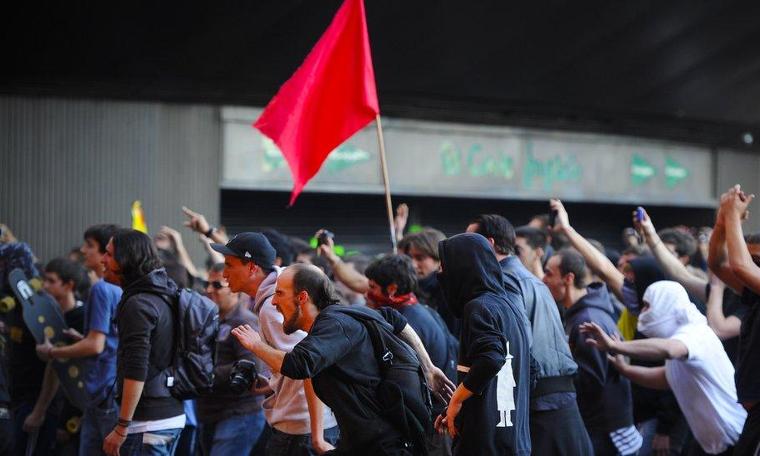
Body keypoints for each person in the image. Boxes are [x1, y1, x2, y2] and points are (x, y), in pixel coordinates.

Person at [232, 263, 454, 455]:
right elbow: (393, 318)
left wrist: (255, 345)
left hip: (383, 446)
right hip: (360, 444)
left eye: (279, 294)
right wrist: (429, 367)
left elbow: (299, 364)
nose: (273, 303)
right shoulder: (340, 319)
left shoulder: (335, 325)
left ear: (302, 297)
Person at [466, 214, 591, 455]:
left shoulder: (506, 279)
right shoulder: (527, 278)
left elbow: (518, 342)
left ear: (489, 244)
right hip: (556, 401)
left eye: (469, 241)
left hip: (543, 405)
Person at [582, 281, 747, 455]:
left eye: (647, 306)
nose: (642, 313)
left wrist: (615, 347)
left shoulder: (695, 333)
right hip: (714, 444)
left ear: (666, 305)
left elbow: (670, 349)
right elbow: (667, 378)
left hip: (736, 439)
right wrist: (625, 370)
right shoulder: (682, 337)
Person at [210, 233, 338, 455]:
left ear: (252, 268)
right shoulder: (278, 291)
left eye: (229, 265)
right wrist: (273, 383)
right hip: (305, 423)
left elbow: (306, 365)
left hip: (301, 426)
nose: (224, 274)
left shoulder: (272, 305)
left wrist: (257, 346)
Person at [434, 233, 532, 455]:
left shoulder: (478, 307)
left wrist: (457, 400)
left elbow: (491, 358)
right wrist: (457, 409)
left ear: (462, 269)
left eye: (444, 267)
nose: (440, 274)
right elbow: (530, 368)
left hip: (484, 444)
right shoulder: (509, 307)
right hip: (513, 441)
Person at [35, 224, 122, 456]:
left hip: (104, 392)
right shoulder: (117, 288)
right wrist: (82, 339)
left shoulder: (102, 289)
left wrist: (53, 352)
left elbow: (96, 345)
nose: (83, 250)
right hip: (108, 393)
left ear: (107, 252)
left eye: (90, 245)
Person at [543, 248, 641, 455]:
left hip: (606, 435)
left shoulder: (587, 320)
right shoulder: (579, 314)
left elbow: (591, 381)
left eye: (549, 273)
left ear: (568, 278)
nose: (543, 279)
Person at [101, 229, 185, 456]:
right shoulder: (162, 293)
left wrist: (122, 426)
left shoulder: (138, 304)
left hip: (148, 425)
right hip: (168, 417)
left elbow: (137, 367)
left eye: (109, 254)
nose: (102, 259)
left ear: (126, 259)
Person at [196, 263, 267, 455]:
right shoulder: (209, 319)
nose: (209, 290)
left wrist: (204, 373)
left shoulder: (244, 321)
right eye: (207, 284)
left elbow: (251, 369)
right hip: (210, 411)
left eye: (217, 285)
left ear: (233, 289)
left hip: (238, 413)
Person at [711, 184, 760, 454]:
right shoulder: (753, 293)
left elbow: (741, 266)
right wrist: (721, 222)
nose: (751, 264)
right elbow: (718, 265)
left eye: (758, 259)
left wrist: (732, 215)